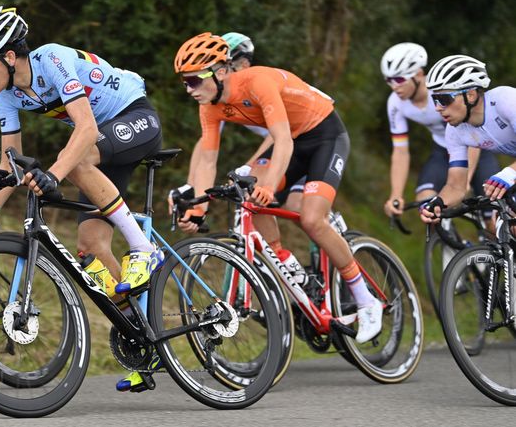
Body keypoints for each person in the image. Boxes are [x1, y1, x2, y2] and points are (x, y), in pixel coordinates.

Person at [0, 6, 163, 392]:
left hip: (134, 118)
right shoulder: (6, 94)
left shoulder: (51, 58)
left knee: (80, 160)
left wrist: (53, 174)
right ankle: (143, 336)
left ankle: (143, 248)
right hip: (104, 142)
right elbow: (10, 163)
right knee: (89, 247)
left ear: (8, 55)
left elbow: (84, 129)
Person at [173, 32, 382, 344]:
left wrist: (270, 185)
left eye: (193, 81)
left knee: (312, 219)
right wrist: (199, 207)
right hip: (295, 143)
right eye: (184, 82)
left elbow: (282, 139)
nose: (188, 89)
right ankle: (291, 270)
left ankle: (366, 301)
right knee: (247, 197)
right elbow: (206, 160)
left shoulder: (257, 82)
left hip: (325, 135)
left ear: (219, 72)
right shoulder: (210, 106)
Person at [380, 43, 499, 219]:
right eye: (388, 81)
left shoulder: (439, 91)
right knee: (425, 202)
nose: (394, 86)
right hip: (442, 150)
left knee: (493, 217)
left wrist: (465, 181)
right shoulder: (395, 103)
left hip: (475, 147)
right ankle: (447, 244)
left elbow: (472, 134)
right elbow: (400, 151)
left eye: (398, 79)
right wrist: (396, 194)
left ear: (419, 74)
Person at [420, 55, 516, 222]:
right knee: (504, 225)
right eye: (434, 100)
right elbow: (456, 186)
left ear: (470, 95)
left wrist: (509, 173)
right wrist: (439, 203)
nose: (437, 108)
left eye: (444, 99)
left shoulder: (506, 100)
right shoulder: (454, 131)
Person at [222, 32, 305, 211]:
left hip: (300, 141)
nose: (222, 73)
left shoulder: (258, 86)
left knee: (296, 206)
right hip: (282, 149)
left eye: (228, 66)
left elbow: (277, 136)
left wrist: (248, 165)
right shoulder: (223, 95)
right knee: (255, 198)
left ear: (244, 64)